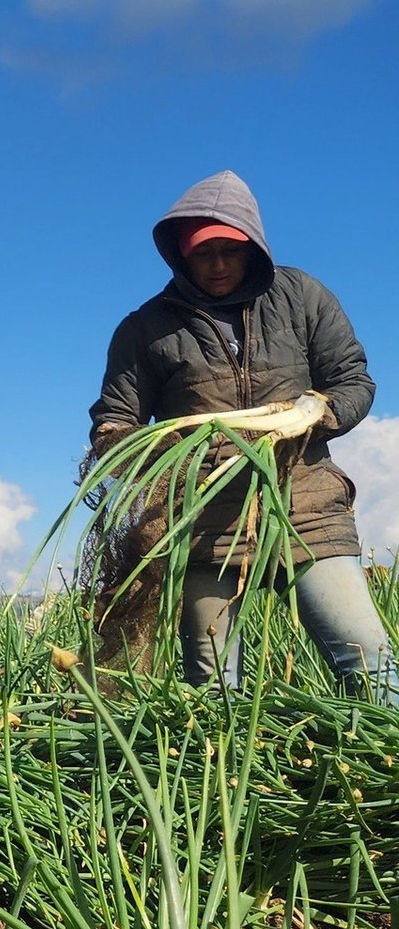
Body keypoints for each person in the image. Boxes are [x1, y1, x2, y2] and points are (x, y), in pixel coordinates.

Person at [89, 170, 390, 697]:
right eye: (205, 254)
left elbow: (353, 380)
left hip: (307, 507)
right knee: (213, 685)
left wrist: (317, 410)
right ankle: (222, 776)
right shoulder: (146, 328)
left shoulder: (301, 296)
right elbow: (115, 420)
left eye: (232, 249)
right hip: (204, 520)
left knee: (367, 656)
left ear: (254, 246)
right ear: (181, 254)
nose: (220, 265)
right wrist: (143, 448)